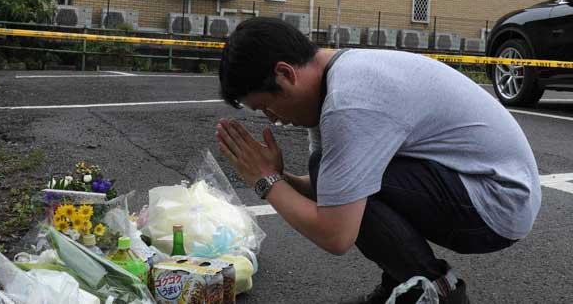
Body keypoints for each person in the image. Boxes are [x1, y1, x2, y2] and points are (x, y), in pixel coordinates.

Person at [216, 17, 540, 304]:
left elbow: (335, 234)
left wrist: (266, 182)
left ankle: (440, 291)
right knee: (331, 173)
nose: (274, 119)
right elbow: (326, 187)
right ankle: (403, 280)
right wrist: (278, 176)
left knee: (347, 187)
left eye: (267, 107)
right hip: (480, 184)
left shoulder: (350, 102)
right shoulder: (335, 77)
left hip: (498, 203)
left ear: (285, 74)